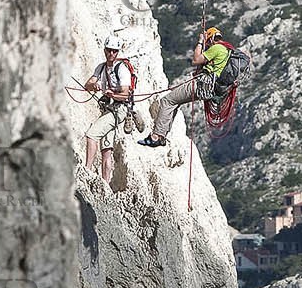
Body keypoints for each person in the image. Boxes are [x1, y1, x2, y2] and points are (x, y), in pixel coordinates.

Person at [139, 26, 228, 148]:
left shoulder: (217, 48)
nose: (207, 44)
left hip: (201, 85)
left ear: (211, 39)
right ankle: (162, 136)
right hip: (208, 87)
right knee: (174, 102)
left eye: (208, 41)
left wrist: (200, 41)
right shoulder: (225, 51)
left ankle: (156, 136)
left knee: (167, 101)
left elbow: (196, 60)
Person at [83, 35, 136, 183]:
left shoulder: (122, 70)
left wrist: (112, 93)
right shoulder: (101, 68)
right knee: (106, 150)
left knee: (91, 135)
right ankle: (105, 184)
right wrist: (95, 86)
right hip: (109, 108)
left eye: (114, 51)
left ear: (117, 52)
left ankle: (86, 170)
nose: (111, 54)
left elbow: (125, 94)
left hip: (120, 109)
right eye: (109, 50)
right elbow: (88, 85)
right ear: (105, 50)